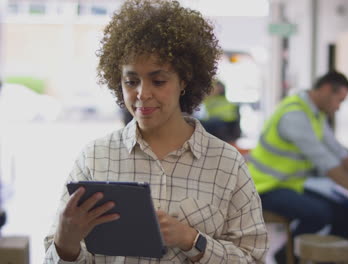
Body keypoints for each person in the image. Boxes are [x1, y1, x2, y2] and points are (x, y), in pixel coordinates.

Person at [43, 1, 268, 263]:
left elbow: (253, 258)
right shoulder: (95, 158)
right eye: (131, 81)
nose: (142, 94)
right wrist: (65, 245)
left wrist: (192, 240)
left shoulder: (227, 165)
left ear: (184, 80)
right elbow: (53, 255)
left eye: (158, 81)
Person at [248, 71, 348, 263]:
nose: (339, 107)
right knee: (319, 214)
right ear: (325, 89)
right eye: (339, 100)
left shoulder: (314, 113)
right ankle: (286, 257)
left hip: (288, 184)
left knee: (346, 215)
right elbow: (324, 161)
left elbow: (337, 152)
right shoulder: (294, 115)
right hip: (264, 188)